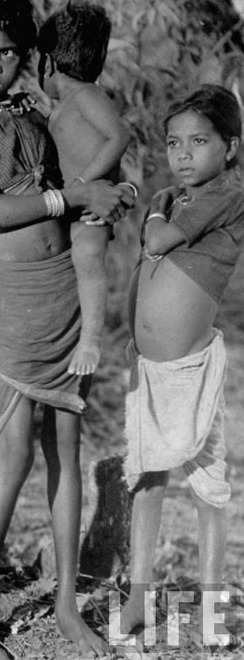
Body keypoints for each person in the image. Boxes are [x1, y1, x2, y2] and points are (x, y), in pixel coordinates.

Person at [0, 0, 131, 657]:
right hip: (15, 299)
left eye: (8, 51)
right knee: (14, 456)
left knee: (65, 453)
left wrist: (112, 195)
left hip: (66, 290)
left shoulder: (36, 118)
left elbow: (89, 185)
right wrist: (73, 195)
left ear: (26, 56)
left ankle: (70, 607)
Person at [119, 85, 244, 647]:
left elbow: (157, 241)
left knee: (207, 484)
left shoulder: (227, 192)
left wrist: (154, 208)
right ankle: (140, 600)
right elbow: (142, 278)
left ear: (232, 147)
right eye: (174, 143)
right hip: (152, 367)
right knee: (147, 478)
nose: (184, 154)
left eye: (199, 141)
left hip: (191, 368)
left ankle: (216, 609)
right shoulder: (183, 196)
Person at [38, 1, 132, 375]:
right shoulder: (65, 104)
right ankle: (74, 339)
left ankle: (91, 341)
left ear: (46, 62)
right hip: (74, 212)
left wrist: (83, 183)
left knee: (88, 263)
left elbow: (118, 136)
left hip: (90, 209)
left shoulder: (87, 96)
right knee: (76, 270)